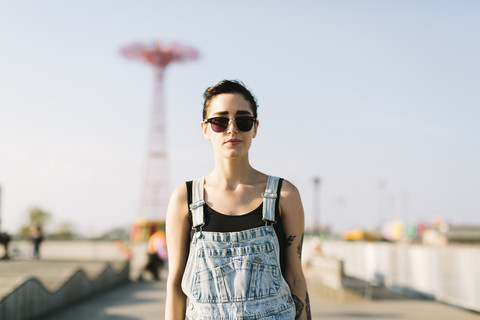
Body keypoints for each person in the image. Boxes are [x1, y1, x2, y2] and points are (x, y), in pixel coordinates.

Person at [165, 80, 311, 319]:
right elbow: (175, 284)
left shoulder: (285, 195)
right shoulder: (185, 198)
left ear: (255, 128)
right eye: (220, 121)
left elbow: (296, 279)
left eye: (242, 120)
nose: (231, 129)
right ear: (205, 129)